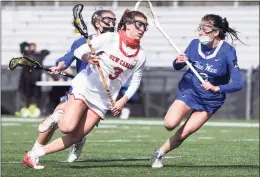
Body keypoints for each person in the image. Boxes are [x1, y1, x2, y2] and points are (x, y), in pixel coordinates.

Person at [23, 9, 148, 169]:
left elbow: (135, 82)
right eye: (139, 25)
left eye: (145, 26)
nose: (142, 29)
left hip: (103, 99)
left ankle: (33, 156)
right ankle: (59, 115)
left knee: (76, 136)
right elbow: (79, 51)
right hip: (85, 87)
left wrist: (122, 100)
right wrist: (87, 57)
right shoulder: (110, 38)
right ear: (128, 25)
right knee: (67, 127)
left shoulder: (141, 55)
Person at [150, 14, 244, 168]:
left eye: (205, 29)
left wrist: (217, 88)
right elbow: (178, 66)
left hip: (211, 100)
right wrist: (178, 61)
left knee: (184, 133)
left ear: (216, 32)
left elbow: (239, 83)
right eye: (199, 28)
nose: (200, 32)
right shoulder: (194, 44)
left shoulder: (228, 51)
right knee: (169, 124)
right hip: (190, 90)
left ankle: (159, 153)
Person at [28, 9, 117, 164]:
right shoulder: (82, 42)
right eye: (108, 19)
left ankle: (78, 141)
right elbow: (66, 59)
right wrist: (59, 66)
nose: (112, 22)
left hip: (97, 94)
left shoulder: (115, 44)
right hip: (78, 91)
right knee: (54, 122)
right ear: (97, 22)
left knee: (75, 131)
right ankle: (33, 153)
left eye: (114, 19)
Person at [16, 42, 50, 117]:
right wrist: (27, 44)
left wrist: (40, 52)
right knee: (27, 95)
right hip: (26, 79)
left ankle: (37, 109)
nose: (32, 48)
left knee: (37, 95)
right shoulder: (26, 54)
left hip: (36, 78)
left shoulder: (39, 55)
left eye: (33, 46)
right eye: (30, 46)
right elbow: (22, 45)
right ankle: (26, 109)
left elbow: (47, 52)